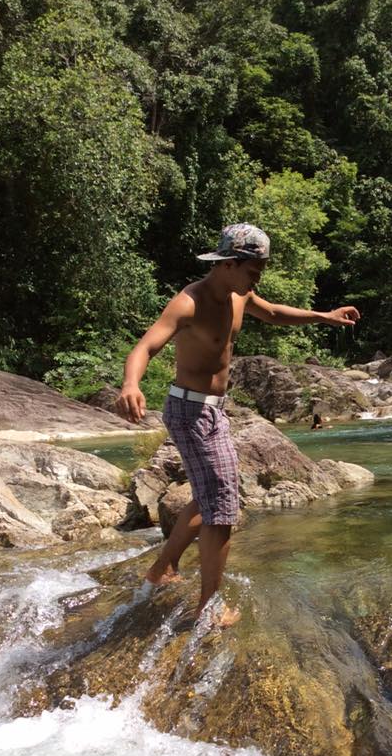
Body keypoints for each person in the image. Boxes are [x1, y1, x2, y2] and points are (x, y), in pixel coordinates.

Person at [115, 223, 360, 626]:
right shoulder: (189, 303)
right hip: (189, 411)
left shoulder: (240, 294)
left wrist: (323, 316)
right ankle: (209, 607)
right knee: (223, 510)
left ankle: (163, 569)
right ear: (228, 263)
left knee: (210, 496)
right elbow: (145, 346)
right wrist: (130, 384)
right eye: (253, 270)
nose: (257, 279)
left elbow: (274, 313)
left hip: (215, 411)